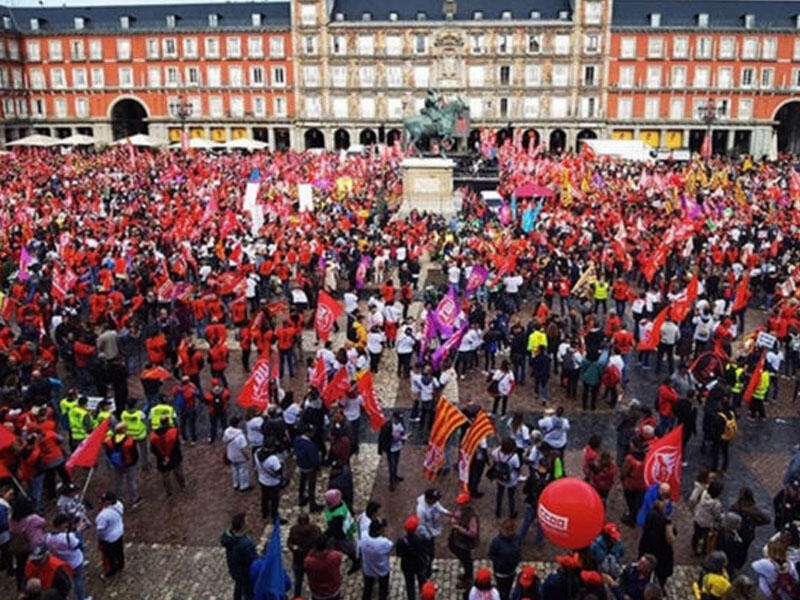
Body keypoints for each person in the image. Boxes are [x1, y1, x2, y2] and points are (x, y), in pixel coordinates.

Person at [46, 513, 91, 600]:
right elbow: (78, 544)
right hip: (75, 562)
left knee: (67, 580)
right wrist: (78, 531)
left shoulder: (48, 538)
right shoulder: (67, 537)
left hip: (62, 562)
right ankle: (81, 598)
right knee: (78, 580)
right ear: (61, 524)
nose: (67, 525)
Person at [638, 499, 675, 587]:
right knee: (660, 574)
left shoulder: (649, 515)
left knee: (647, 571)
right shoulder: (665, 523)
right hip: (661, 553)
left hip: (647, 548)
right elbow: (670, 539)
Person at [220, 513, 257, 600]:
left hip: (235, 570)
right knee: (248, 593)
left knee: (239, 587)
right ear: (242, 526)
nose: (250, 523)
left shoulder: (229, 537)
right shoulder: (245, 544)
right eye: (247, 522)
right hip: (246, 574)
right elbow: (252, 561)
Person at [103, 422, 141, 507]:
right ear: (124, 430)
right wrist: (134, 462)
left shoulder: (109, 441)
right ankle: (134, 500)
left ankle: (119, 499)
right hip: (129, 464)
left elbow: (108, 453)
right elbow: (135, 453)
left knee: (118, 482)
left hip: (117, 464)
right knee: (131, 482)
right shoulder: (130, 440)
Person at [416, 488, 451, 581]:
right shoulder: (421, 510)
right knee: (428, 554)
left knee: (431, 553)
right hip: (426, 536)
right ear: (428, 499)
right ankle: (426, 573)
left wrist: (447, 513)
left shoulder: (433, 502)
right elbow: (421, 526)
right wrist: (429, 536)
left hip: (432, 531)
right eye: (434, 500)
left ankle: (429, 567)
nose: (436, 501)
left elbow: (438, 507)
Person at [148, 415, 186, 497]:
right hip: (174, 456)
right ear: (168, 421)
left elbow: (153, 449)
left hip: (161, 458)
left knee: (165, 476)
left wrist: (162, 456)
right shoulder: (174, 432)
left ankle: (169, 492)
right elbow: (177, 445)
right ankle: (182, 485)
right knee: (178, 472)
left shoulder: (153, 435)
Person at [287, 512, 322, 599]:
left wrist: (295, 550)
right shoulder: (316, 530)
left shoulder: (294, 530)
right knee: (314, 580)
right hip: (311, 560)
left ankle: (297, 597)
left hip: (299, 560)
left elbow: (289, 543)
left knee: (298, 582)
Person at [449, 492, 479, 589]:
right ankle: (466, 575)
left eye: (461, 503)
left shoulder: (472, 517)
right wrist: (454, 518)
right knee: (454, 549)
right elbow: (457, 515)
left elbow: (472, 533)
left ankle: (468, 579)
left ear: (466, 503)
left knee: (467, 561)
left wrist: (459, 528)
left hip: (465, 543)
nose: (459, 505)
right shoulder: (460, 509)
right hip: (458, 539)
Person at [358, 518, 393, 600]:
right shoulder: (384, 543)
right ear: (378, 530)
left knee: (368, 589)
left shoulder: (363, 536)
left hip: (368, 569)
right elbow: (391, 548)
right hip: (382, 570)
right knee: (383, 590)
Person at [254, 438, 287, 524]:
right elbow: (279, 471)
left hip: (262, 479)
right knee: (274, 501)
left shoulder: (257, 453)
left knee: (264, 498)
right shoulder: (273, 459)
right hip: (273, 482)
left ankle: (265, 513)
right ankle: (274, 517)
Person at [395, 515, 428, 600]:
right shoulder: (421, 539)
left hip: (407, 565)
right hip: (419, 564)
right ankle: (424, 596)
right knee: (422, 581)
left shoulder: (401, 541)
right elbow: (424, 551)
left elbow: (398, 554)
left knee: (410, 585)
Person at [488, 518, 522, 600]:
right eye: (508, 530)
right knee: (501, 587)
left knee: (508, 587)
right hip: (500, 572)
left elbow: (519, 550)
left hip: (511, 571)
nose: (510, 532)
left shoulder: (517, 538)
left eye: (512, 530)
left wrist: (517, 560)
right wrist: (501, 563)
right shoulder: (497, 541)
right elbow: (491, 555)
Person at [95, 491, 125, 579]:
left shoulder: (103, 515)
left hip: (109, 538)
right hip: (119, 532)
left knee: (110, 555)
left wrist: (100, 538)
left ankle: (112, 570)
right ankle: (121, 564)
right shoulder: (119, 504)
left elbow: (100, 529)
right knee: (119, 550)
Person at [304, 535, 343, 600]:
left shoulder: (309, 562)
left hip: (318, 593)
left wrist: (312, 552)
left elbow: (306, 567)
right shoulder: (335, 556)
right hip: (333, 590)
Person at [490, 438, 521, 519]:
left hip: (500, 477)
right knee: (511, 496)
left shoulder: (496, 452)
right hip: (511, 479)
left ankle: (498, 511)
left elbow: (494, 460)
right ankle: (512, 513)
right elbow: (517, 468)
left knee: (499, 494)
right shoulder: (514, 457)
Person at [295, 423, 323, 512]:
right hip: (309, 467)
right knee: (311, 486)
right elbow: (314, 459)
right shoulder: (309, 446)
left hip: (301, 465)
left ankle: (301, 498)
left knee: (302, 482)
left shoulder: (297, 439)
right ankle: (312, 505)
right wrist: (318, 467)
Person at [692, 479, 724, 557]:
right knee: (706, 537)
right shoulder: (716, 504)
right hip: (707, 523)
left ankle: (694, 547)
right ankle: (703, 551)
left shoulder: (704, 493)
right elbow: (717, 515)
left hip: (698, 517)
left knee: (697, 534)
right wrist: (722, 516)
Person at [223, 416, 252, 492]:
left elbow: (224, 441)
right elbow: (243, 448)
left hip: (231, 454)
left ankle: (236, 484)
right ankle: (244, 486)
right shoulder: (240, 436)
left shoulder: (226, 431)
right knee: (243, 470)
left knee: (234, 469)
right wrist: (247, 456)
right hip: (239, 456)